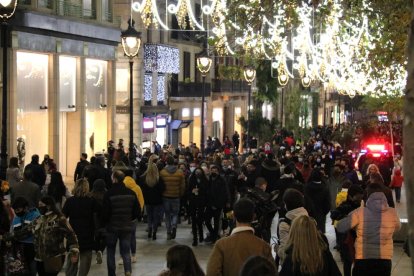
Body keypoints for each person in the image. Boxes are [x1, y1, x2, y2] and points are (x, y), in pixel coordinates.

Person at [337, 184, 401, 276]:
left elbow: (340, 227)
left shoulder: (360, 212)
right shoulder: (392, 213)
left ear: (367, 196)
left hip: (363, 259)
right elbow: (398, 227)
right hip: (385, 260)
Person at [206, 198, 274, 276]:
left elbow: (212, 273)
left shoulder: (221, 245)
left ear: (234, 216)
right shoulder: (264, 247)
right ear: (253, 217)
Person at [102, 170, 140, 276]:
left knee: (110, 251)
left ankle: (111, 273)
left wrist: (106, 222)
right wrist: (129, 218)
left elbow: (105, 212)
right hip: (126, 226)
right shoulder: (131, 193)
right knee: (126, 251)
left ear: (114, 179)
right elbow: (137, 211)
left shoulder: (108, 194)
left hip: (112, 227)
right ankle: (128, 271)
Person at [34, 196, 79, 276]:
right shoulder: (39, 219)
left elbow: (71, 235)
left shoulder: (59, 219)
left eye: (41, 206)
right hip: (39, 258)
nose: (39, 208)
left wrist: (74, 251)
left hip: (54, 257)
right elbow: (26, 229)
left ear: (48, 206)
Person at [63, 178, 99, 276]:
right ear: (87, 188)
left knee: (72, 265)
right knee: (85, 264)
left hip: (73, 237)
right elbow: (96, 219)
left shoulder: (70, 201)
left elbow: (63, 218)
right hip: (87, 235)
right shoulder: (92, 201)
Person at [330, 185, 364, 276]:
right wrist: (345, 219)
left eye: (361, 199)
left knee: (356, 263)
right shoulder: (345, 206)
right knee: (348, 262)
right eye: (358, 199)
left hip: (357, 240)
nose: (360, 201)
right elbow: (333, 215)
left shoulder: (361, 207)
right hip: (347, 240)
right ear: (350, 197)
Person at [276, 188, 309, 265]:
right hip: (310, 263)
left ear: (287, 204)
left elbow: (285, 253)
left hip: (292, 266)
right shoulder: (310, 220)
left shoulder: (284, 224)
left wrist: (277, 249)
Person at [10, 196, 41, 276]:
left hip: (32, 246)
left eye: (18, 209)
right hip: (19, 247)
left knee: (32, 269)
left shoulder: (36, 215)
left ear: (25, 207)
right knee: (21, 271)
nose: (16, 212)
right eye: (15, 210)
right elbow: (14, 231)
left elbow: (31, 232)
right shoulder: (17, 217)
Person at [160, 155, 186, 240]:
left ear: (167, 162)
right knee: (175, 214)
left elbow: (161, 185)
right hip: (176, 196)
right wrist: (180, 194)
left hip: (166, 196)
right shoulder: (179, 172)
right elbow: (182, 186)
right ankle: (174, 225)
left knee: (167, 215)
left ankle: (168, 232)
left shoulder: (162, 172)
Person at [140, 159, 165, 241]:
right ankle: (154, 231)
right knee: (155, 217)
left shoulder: (144, 179)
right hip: (157, 201)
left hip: (147, 201)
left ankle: (149, 228)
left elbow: (142, 190)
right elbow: (163, 189)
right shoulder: (159, 179)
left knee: (149, 216)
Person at [204, 165, 229, 243]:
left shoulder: (222, 180)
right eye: (212, 170)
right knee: (207, 221)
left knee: (216, 222)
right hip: (209, 204)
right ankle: (213, 234)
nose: (213, 172)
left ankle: (214, 238)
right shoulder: (208, 179)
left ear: (218, 171)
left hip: (218, 205)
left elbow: (224, 193)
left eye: (215, 170)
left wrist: (218, 204)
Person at [187, 166, 208, 246]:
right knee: (194, 221)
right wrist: (192, 191)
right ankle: (195, 238)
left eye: (199, 172)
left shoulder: (205, 181)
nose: (197, 174)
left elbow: (207, 192)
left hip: (201, 203)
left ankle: (201, 235)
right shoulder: (191, 180)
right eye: (196, 172)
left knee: (200, 220)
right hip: (193, 202)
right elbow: (188, 192)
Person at [88, 179, 107, 264]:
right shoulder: (107, 195)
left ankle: (97, 250)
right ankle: (101, 250)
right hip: (104, 220)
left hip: (93, 221)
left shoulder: (90, 196)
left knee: (96, 237)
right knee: (105, 237)